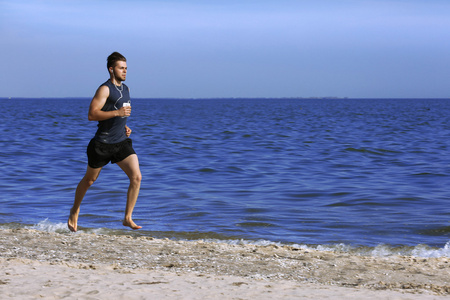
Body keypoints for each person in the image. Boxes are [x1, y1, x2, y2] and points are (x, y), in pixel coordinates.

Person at [68, 52, 142, 232]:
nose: (124, 71)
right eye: (121, 68)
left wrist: (124, 126)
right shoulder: (104, 89)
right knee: (89, 180)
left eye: (126, 68)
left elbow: (119, 113)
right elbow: (92, 114)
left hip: (121, 142)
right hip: (101, 144)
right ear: (111, 69)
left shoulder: (126, 89)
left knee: (136, 177)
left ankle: (127, 218)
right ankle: (74, 210)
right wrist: (117, 114)